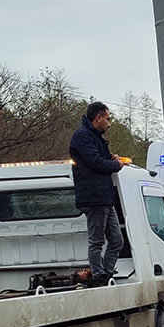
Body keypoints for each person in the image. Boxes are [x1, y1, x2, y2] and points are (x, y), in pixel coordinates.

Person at [69, 101, 124, 287]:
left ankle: (105, 273)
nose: (109, 123)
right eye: (107, 119)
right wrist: (116, 165)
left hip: (104, 197)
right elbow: (95, 162)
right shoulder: (82, 136)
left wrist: (110, 158)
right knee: (97, 240)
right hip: (93, 197)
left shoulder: (93, 136)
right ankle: (98, 275)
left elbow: (100, 159)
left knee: (117, 240)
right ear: (98, 118)